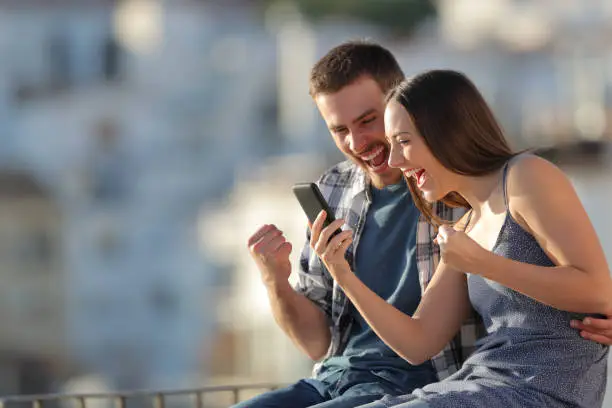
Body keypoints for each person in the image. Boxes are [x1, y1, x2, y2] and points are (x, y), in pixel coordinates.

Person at [310, 69, 612, 407]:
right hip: (480, 383)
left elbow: (598, 293)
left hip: (542, 389)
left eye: (404, 141)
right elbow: (418, 342)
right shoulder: (467, 225)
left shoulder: (525, 177)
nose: (395, 160)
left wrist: (484, 263)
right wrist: (342, 274)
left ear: (446, 132)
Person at [238, 42, 478, 408]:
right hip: (335, 379)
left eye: (368, 120)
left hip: (419, 386)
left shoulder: (453, 184)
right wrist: (275, 280)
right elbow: (318, 344)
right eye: (340, 130)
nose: (357, 142)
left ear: (401, 103)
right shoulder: (333, 189)